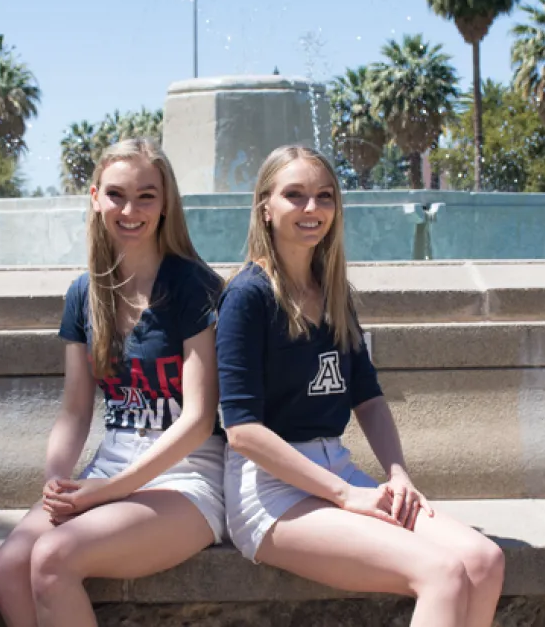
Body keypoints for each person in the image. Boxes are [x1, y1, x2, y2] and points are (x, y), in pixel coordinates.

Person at [216, 145, 504, 627]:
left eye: (324, 196)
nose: (313, 209)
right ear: (265, 207)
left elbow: (367, 399)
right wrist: (345, 495)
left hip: (337, 472)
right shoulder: (247, 295)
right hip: (269, 492)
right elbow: (242, 431)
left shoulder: (333, 292)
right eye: (296, 195)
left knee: (484, 561)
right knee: (441, 573)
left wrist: (398, 474)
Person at [0, 138, 226, 627]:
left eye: (146, 196)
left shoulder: (191, 286)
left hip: (187, 475)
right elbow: (75, 410)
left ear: (166, 204)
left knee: (53, 559)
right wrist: (58, 478)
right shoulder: (85, 292)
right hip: (110, 467)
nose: (130, 209)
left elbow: (200, 421)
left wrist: (110, 490)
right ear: (95, 197)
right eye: (116, 194)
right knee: (6, 569)